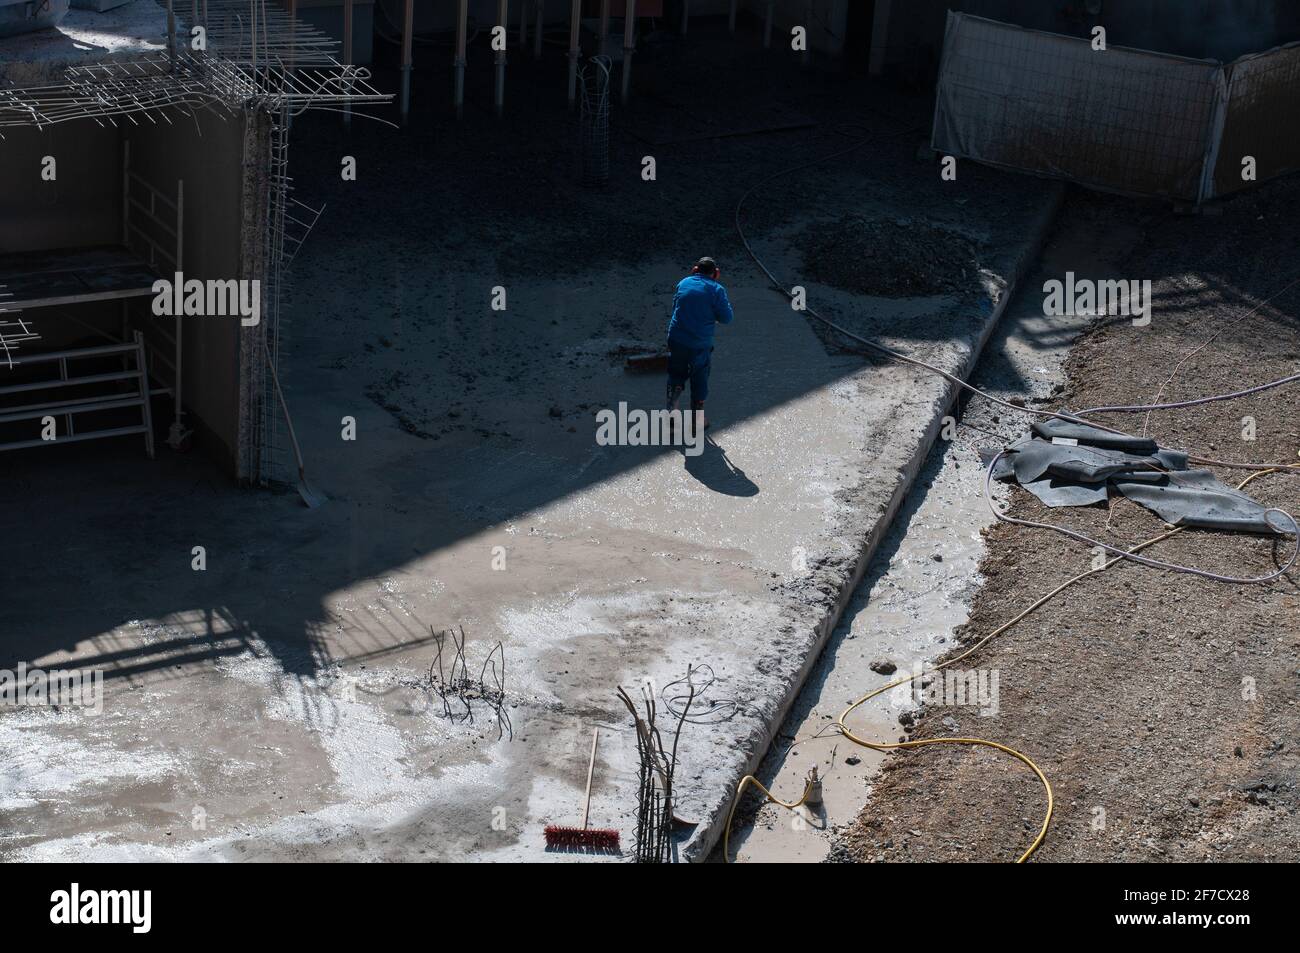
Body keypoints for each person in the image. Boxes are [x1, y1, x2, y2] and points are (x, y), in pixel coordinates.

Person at [666, 256, 734, 429]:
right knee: (700, 376)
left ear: (695, 270)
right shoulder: (717, 290)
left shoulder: (683, 283)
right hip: (699, 343)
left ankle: (672, 411)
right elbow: (727, 318)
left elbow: (676, 309)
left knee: (676, 373)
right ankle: (697, 420)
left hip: (676, 337)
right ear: (716, 273)